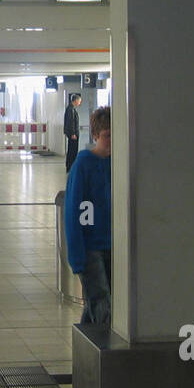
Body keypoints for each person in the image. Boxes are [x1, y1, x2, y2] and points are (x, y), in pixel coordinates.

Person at [64, 105, 112, 328]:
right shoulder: (83, 165)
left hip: (112, 246)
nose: (111, 141)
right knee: (102, 303)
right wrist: (77, 257)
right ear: (95, 135)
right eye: (106, 136)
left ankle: (88, 354)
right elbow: (73, 213)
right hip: (90, 248)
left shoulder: (118, 164)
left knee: (98, 305)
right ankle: (106, 353)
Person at [64, 92, 82, 173]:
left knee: (72, 150)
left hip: (73, 133)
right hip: (73, 134)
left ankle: (70, 166)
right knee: (73, 151)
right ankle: (70, 166)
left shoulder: (72, 109)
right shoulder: (71, 109)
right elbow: (71, 122)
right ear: (75, 100)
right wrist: (73, 133)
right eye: (79, 101)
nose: (80, 102)